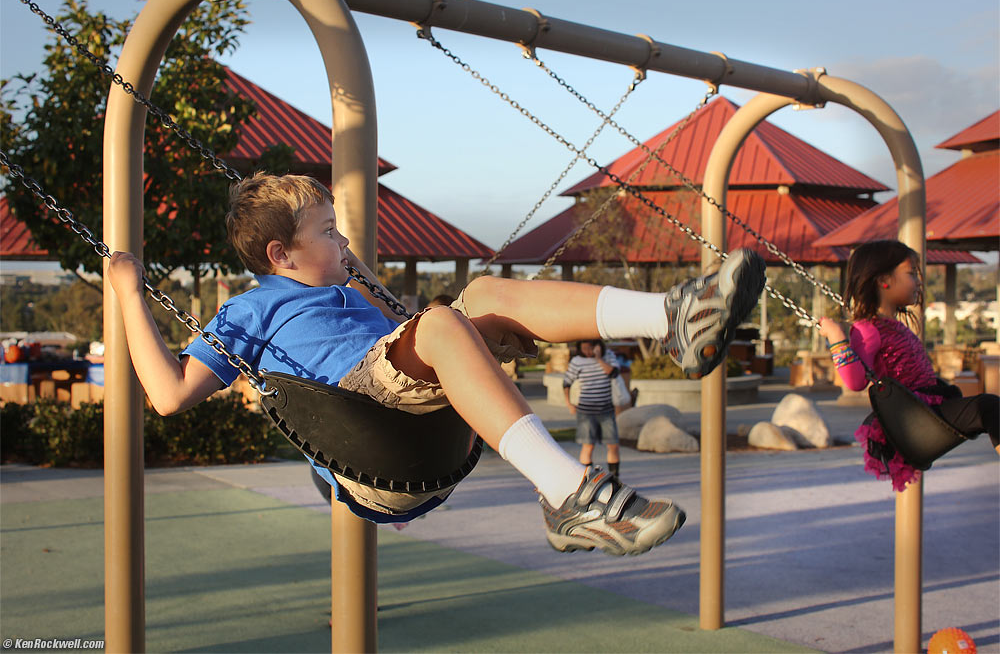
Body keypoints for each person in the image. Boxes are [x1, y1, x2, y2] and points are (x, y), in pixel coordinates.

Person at [108, 172, 766, 556]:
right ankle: (570, 494)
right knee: (445, 320)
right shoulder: (250, 310)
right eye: (328, 231)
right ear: (281, 255)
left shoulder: (347, 288)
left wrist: (360, 276)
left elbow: (403, 332)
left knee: (485, 294)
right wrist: (130, 295)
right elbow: (168, 394)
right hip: (369, 436)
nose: (343, 238)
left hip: (418, 419)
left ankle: (674, 319)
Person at [818, 239, 999, 491]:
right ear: (884, 280)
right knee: (988, 407)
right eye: (912, 274)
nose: (919, 282)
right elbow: (855, 381)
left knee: (985, 409)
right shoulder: (867, 329)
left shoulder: (892, 324)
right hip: (914, 419)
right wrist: (837, 338)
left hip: (927, 410)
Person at [564, 340, 622, 477]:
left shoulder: (608, 356)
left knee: (613, 445)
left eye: (589, 348)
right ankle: (586, 479)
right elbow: (566, 383)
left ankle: (615, 478)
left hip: (606, 410)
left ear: (597, 346)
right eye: (584, 349)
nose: (587, 352)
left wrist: (598, 358)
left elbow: (613, 373)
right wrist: (569, 403)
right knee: (588, 446)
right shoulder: (577, 361)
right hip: (586, 411)